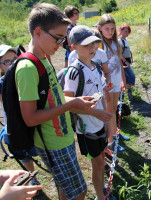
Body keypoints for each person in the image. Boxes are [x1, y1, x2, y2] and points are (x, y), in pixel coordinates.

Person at [15, 3, 96, 200]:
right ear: (38, 31)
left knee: (66, 188)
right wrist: (70, 105)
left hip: (63, 137)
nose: (60, 45)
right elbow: (30, 118)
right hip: (52, 143)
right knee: (80, 192)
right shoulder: (27, 67)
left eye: (63, 39)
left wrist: (75, 99)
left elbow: (55, 97)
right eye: (58, 38)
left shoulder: (44, 58)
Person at [63, 25, 114, 200]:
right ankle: (101, 195)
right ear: (74, 47)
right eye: (86, 45)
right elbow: (67, 103)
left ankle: (101, 192)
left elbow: (101, 96)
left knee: (101, 159)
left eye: (94, 44)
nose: (92, 48)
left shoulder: (97, 66)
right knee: (98, 162)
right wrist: (95, 114)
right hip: (86, 128)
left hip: (100, 123)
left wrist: (106, 121)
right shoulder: (74, 72)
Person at [0, 45, 40, 186]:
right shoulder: (2, 83)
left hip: (32, 123)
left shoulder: (26, 75)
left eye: (14, 59)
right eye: (6, 62)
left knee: (38, 149)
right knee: (23, 155)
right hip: (15, 126)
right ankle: (31, 177)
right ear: (1, 66)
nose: (12, 64)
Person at [97, 13, 128, 152]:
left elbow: (120, 62)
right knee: (108, 111)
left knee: (114, 109)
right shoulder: (99, 45)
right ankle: (110, 141)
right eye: (107, 28)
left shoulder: (116, 43)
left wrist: (123, 79)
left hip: (116, 82)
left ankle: (115, 133)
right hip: (107, 85)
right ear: (100, 28)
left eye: (112, 29)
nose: (110, 31)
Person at [118, 24, 135, 89]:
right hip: (123, 62)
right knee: (131, 76)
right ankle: (129, 93)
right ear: (121, 31)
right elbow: (119, 53)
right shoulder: (120, 41)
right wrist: (125, 61)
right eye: (125, 31)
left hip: (126, 61)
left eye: (128, 31)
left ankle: (127, 93)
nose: (127, 33)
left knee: (127, 77)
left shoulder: (124, 40)